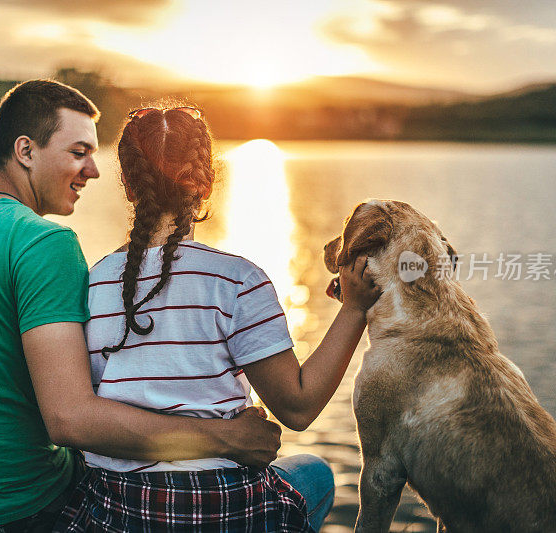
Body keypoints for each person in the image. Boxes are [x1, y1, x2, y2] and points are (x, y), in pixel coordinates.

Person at [0, 80, 283, 531]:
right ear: (25, 151)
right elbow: (69, 419)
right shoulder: (44, 243)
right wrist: (228, 438)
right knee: (307, 476)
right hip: (21, 509)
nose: (94, 170)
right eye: (79, 153)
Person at [55, 106, 381, 532]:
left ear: (130, 186)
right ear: (206, 184)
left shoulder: (90, 283)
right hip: (225, 506)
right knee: (316, 472)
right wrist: (354, 309)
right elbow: (297, 409)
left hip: (120, 509)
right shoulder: (238, 280)